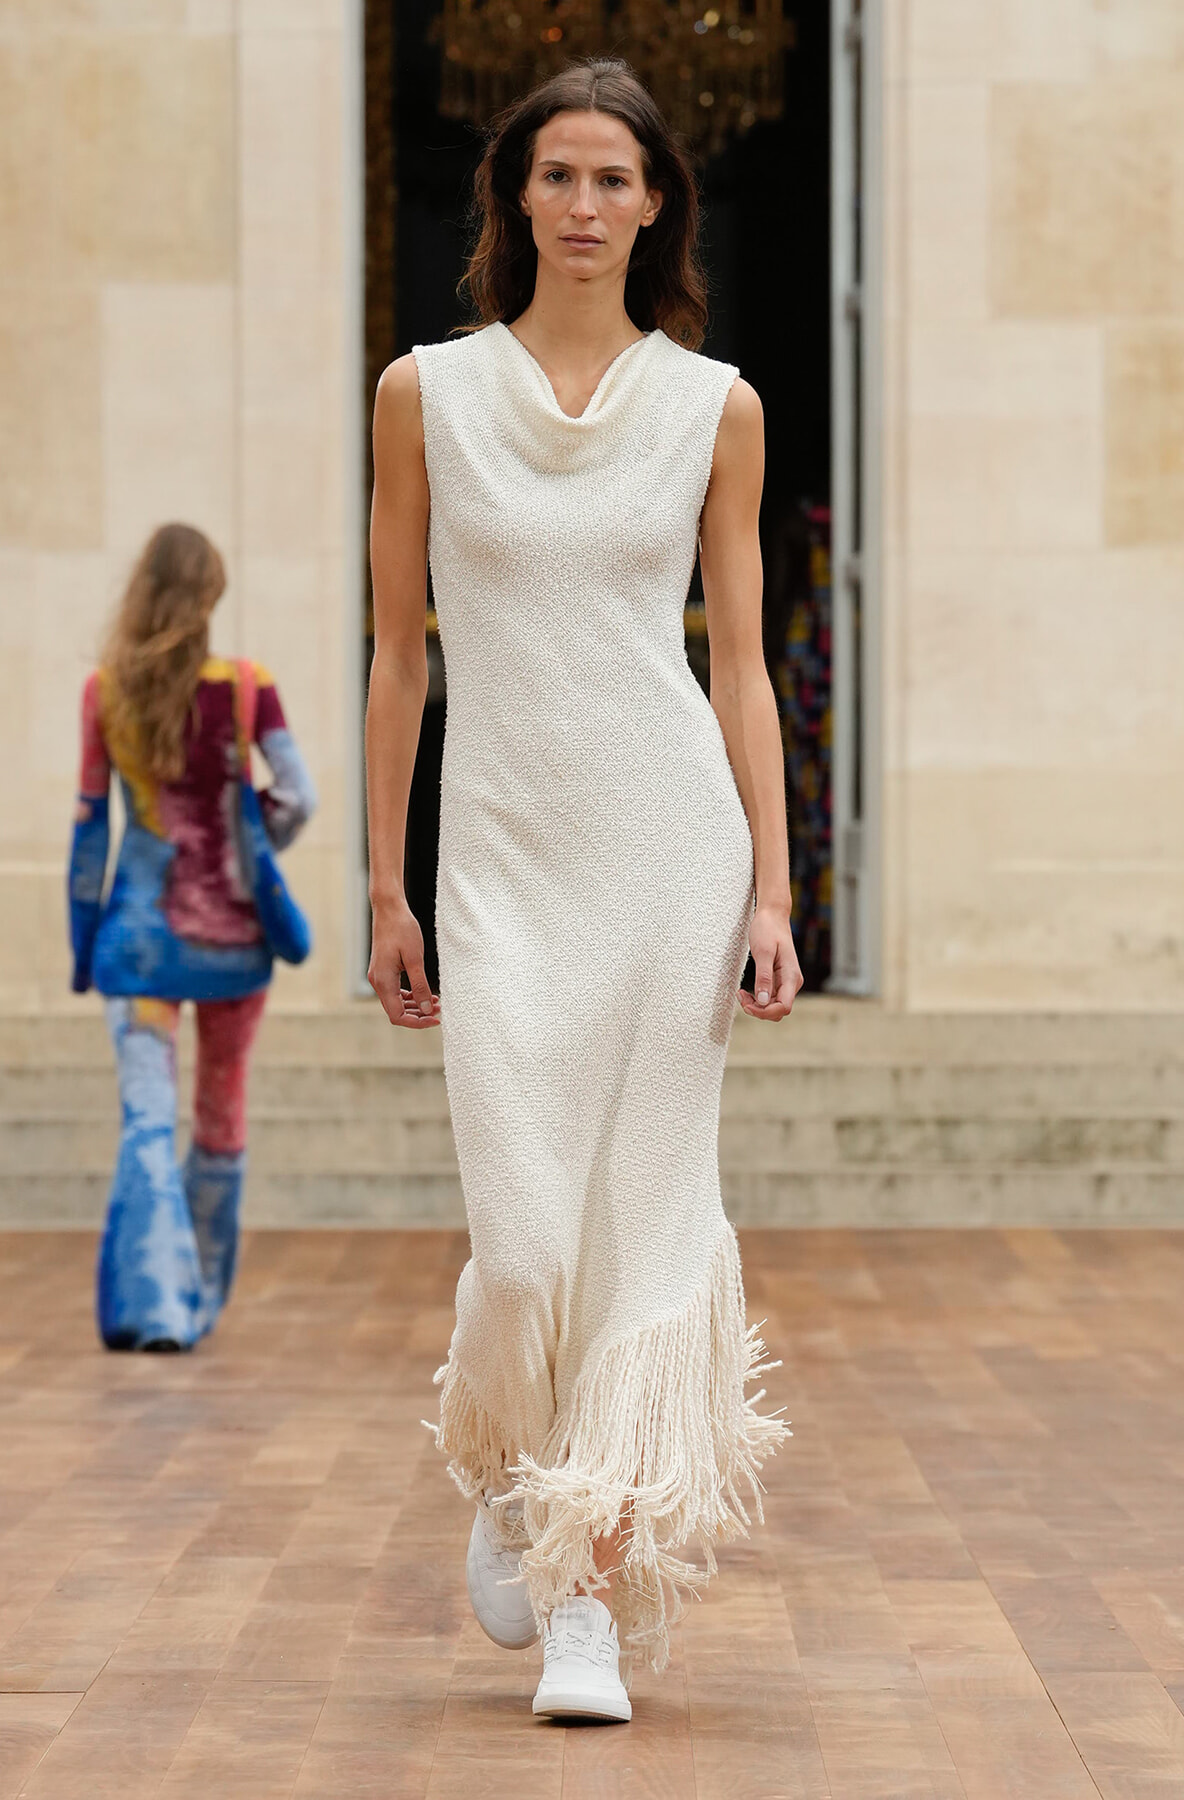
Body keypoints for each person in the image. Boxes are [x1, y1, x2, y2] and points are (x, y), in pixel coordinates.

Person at [365, 59, 801, 1724]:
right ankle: (503, 1456)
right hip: (498, 859)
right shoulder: (425, 394)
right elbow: (397, 660)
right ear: (515, 197)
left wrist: (769, 886)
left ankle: (584, 1604)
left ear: (655, 204)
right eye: (560, 174)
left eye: (618, 177)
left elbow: (744, 669)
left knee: (637, 1234)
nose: (589, 203)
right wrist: (389, 885)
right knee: (528, 1246)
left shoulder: (717, 406)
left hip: (669, 854)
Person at [67, 522, 316, 1353]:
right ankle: (198, 1301)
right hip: (233, 950)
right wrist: (250, 856)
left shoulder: (105, 692)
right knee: (220, 1117)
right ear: (211, 595)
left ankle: (152, 1308)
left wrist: (80, 942)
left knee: (146, 1121)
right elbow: (300, 798)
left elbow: (91, 831)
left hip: (135, 948)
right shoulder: (249, 690)